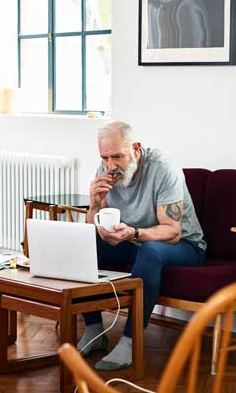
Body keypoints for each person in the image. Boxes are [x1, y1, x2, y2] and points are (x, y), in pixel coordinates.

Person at [79, 121, 206, 371]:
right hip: (133, 239)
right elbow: (93, 225)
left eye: (117, 156)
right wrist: (94, 205)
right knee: (84, 242)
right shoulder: (105, 168)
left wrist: (134, 233)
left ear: (135, 148)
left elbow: (172, 230)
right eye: (105, 157)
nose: (110, 165)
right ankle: (94, 330)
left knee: (150, 251)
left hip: (184, 246)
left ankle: (130, 340)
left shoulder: (162, 168)